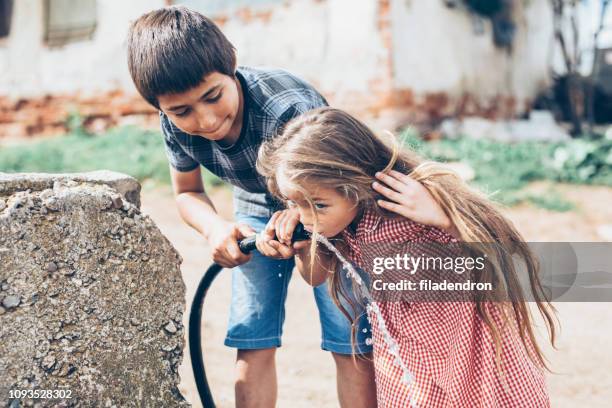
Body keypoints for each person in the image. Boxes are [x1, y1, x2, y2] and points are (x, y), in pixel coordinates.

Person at [126, 6, 381, 407]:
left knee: (348, 334)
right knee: (251, 333)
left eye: (213, 96)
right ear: (161, 108)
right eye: (182, 111)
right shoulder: (172, 124)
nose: (206, 120)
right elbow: (187, 192)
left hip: (322, 200)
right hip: (254, 203)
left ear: (232, 66)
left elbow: (336, 187)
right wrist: (215, 229)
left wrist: (303, 223)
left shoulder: (286, 107)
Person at [256, 107, 558, 407]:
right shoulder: (341, 221)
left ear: (356, 185)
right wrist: (299, 240)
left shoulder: (412, 200)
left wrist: (445, 217)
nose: (308, 217)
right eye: (294, 202)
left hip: (469, 345)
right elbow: (314, 277)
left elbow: (505, 249)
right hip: (410, 352)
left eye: (318, 206)